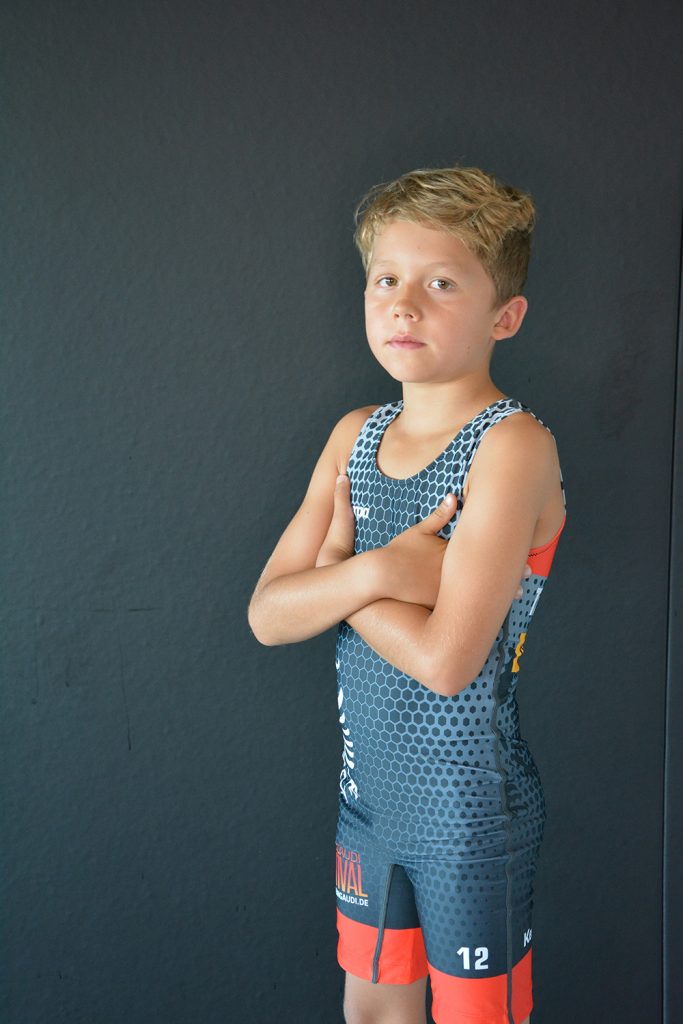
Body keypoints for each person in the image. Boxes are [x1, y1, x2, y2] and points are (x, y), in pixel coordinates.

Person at [248, 164, 567, 1024]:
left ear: (504, 317)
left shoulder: (510, 448)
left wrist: (334, 581)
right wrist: (383, 571)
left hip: (470, 818)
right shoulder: (354, 436)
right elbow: (268, 616)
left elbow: (445, 662)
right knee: (372, 1013)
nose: (404, 305)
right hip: (368, 806)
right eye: (385, 280)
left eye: (441, 283)